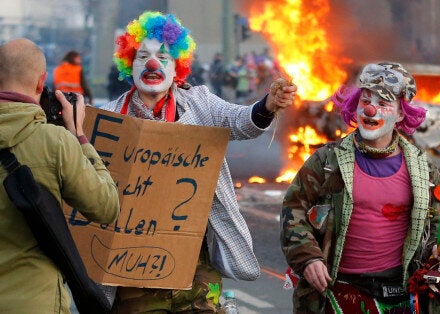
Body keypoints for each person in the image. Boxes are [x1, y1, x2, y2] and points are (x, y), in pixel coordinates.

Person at [100, 11, 297, 313]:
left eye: (163, 57)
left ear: (178, 64)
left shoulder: (199, 102)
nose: (153, 64)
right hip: (131, 264)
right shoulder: (110, 117)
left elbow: (241, 121)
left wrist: (267, 106)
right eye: (143, 56)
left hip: (194, 258)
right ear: (130, 63)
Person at [281, 62, 440, 313]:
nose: (371, 110)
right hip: (338, 292)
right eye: (365, 101)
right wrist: (307, 258)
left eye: (383, 104)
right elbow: (293, 210)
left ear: (400, 113)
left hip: (399, 294)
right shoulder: (327, 161)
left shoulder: (423, 168)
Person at [0, 38, 120, 313]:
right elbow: (107, 207)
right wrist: (78, 135)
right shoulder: (54, 142)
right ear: (42, 83)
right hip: (35, 302)